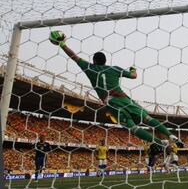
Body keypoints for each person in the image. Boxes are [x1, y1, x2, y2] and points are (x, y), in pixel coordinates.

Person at [49, 31, 178, 147]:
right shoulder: (114, 68)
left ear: (94, 61)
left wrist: (62, 44)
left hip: (112, 102)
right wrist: (133, 69)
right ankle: (170, 134)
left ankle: (159, 142)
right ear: (105, 61)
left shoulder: (90, 68)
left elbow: (74, 56)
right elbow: (134, 76)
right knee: (147, 119)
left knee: (132, 127)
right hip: (125, 98)